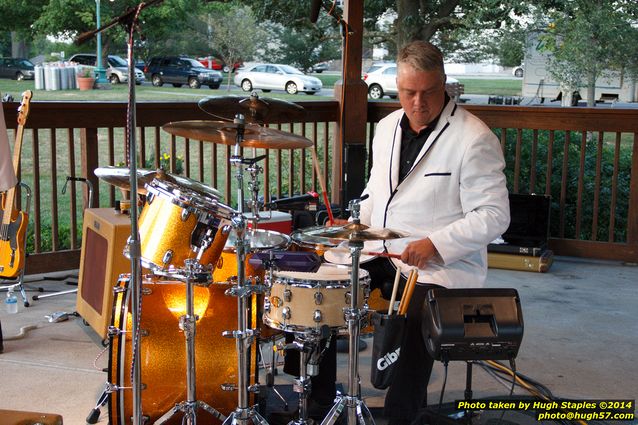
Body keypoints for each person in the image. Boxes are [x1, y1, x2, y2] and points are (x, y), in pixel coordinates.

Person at [303, 40, 510, 425]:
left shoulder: (474, 138)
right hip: (380, 252)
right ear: (397, 86)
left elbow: (494, 215)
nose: (418, 102)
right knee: (318, 293)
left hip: (437, 267)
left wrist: (435, 244)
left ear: (445, 84)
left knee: (416, 320)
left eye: (428, 92)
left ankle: (401, 417)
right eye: (408, 92)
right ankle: (318, 408)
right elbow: (374, 196)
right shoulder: (385, 128)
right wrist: (349, 228)